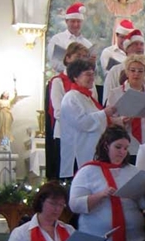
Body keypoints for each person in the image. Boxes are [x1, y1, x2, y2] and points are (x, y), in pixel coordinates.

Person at [60, 59, 120, 179]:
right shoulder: (71, 97)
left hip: (93, 151)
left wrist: (116, 121)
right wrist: (104, 113)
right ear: (75, 77)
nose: (92, 78)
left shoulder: (87, 97)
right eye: (88, 74)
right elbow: (83, 123)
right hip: (79, 152)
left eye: (93, 74)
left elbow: (97, 119)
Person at [46, 42, 91, 179]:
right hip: (65, 134)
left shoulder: (90, 82)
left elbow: (93, 107)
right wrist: (82, 120)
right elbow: (59, 111)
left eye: (85, 56)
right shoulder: (58, 82)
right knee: (65, 173)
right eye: (78, 56)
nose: (81, 59)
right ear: (68, 58)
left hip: (85, 135)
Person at [107, 54, 145, 160]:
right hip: (125, 146)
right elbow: (108, 118)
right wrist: (121, 120)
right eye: (132, 70)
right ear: (127, 72)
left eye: (140, 71)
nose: (136, 74)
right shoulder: (115, 93)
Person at [47, 2, 93, 73]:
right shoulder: (57, 40)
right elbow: (55, 63)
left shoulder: (87, 44)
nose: (76, 24)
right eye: (73, 21)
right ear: (66, 21)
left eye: (78, 21)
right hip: (63, 79)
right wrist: (73, 72)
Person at [103, 29, 145, 104]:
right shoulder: (115, 70)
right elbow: (108, 97)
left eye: (141, 44)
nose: (139, 47)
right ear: (127, 49)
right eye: (135, 44)